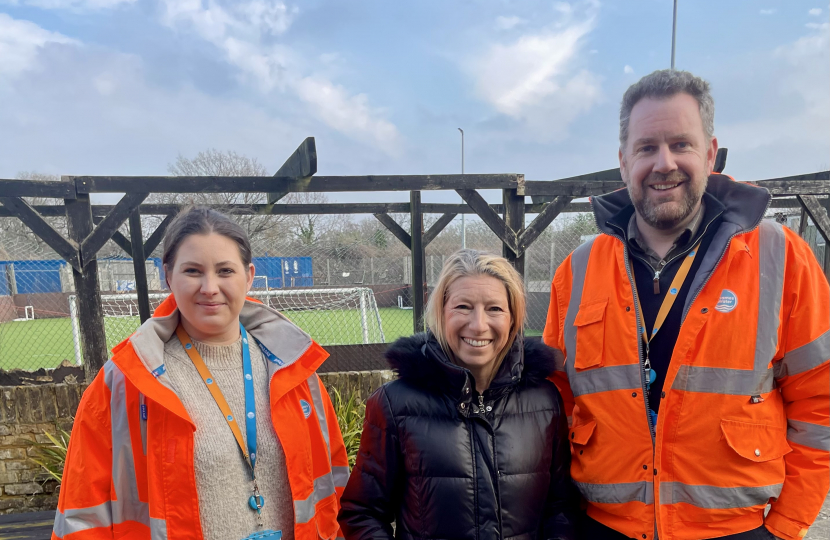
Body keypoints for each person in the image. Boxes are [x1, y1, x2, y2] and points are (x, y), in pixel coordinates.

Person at [544, 69, 829, 540]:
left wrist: (784, 527)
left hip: (734, 530)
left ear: (710, 153)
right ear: (622, 161)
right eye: (647, 147)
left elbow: (820, 403)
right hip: (604, 528)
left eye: (681, 144)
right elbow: (554, 403)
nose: (664, 163)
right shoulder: (577, 271)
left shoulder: (779, 256)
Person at [53, 207, 348, 540]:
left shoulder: (294, 369)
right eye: (193, 271)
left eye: (225, 271)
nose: (210, 287)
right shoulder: (125, 382)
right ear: (168, 276)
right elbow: (82, 515)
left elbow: (334, 490)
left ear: (248, 276)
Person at [338, 249, 576, 540]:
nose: (478, 324)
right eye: (463, 307)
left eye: (494, 309)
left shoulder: (545, 400)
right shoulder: (394, 404)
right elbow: (362, 512)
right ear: (441, 312)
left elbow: (561, 508)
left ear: (513, 319)